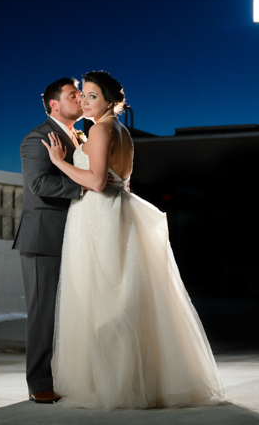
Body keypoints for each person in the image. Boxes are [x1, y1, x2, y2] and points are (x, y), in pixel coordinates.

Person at [42, 71, 224, 409]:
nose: (84, 100)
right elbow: (119, 181)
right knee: (122, 296)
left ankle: (114, 383)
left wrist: (59, 162)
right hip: (118, 211)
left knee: (102, 300)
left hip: (98, 215)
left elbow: (96, 182)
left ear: (111, 101)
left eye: (92, 96)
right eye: (83, 95)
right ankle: (138, 380)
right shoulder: (121, 131)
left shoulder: (102, 128)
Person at [11, 77, 85, 404]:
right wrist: (87, 188)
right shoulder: (37, 139)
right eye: (73, 95)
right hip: (44, 239)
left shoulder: (80, 136)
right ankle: (39, 383)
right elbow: (40, 184)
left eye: (82, 93)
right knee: (43, 315)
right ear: (54, 104)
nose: (81, 98)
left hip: (75, 237)